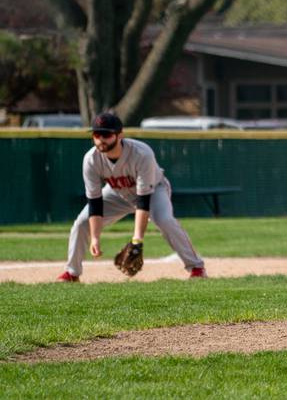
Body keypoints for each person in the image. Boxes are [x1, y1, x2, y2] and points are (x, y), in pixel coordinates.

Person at [56, 112, 206, 282]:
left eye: (106, 134)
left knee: (164, 220)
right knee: (82, 223)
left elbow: (143, 201)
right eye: (96, 134)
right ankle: (72, 273)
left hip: (154, 191)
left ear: (120, 135)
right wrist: (95, 238)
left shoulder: (141, 154)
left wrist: (137, 240)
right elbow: (95, 203)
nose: (100, 139)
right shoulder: (91, 160)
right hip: (116, 193)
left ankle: (197, 268)